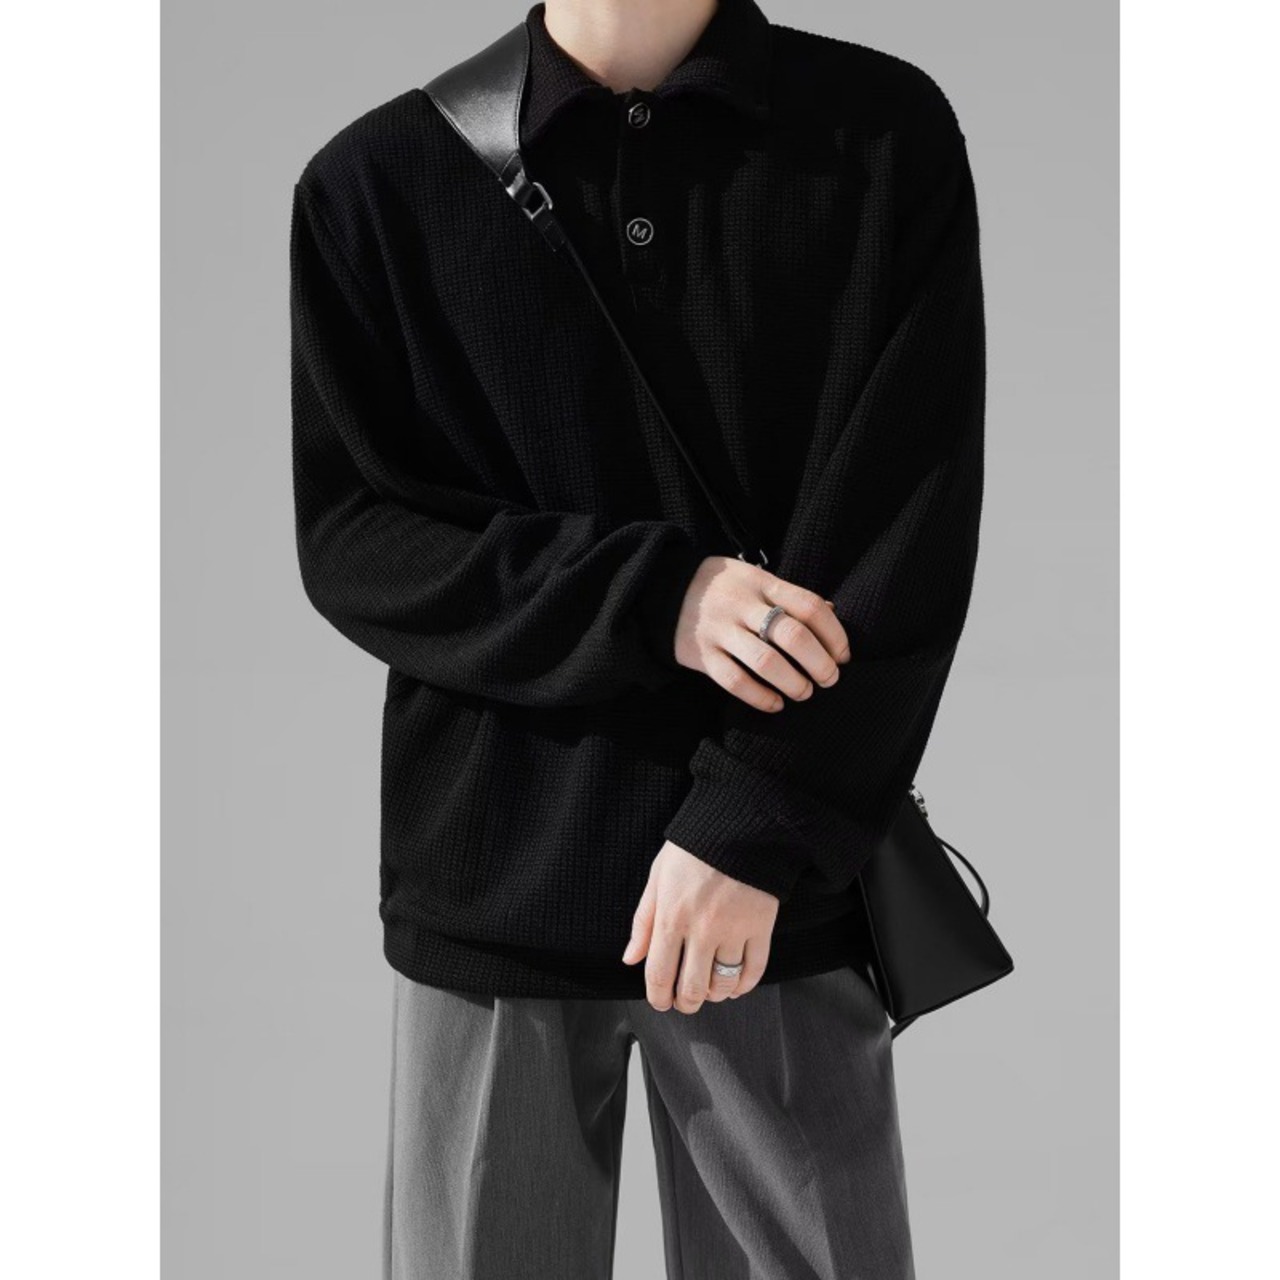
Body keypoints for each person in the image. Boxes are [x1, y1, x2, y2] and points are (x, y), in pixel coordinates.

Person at [289, 0, 985, 1275]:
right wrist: (660, 597)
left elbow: (904, 529)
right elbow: (356, 541)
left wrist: (754, 823)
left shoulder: (878, 138)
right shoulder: (375, 185)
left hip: (770, 900)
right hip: (493, 899)